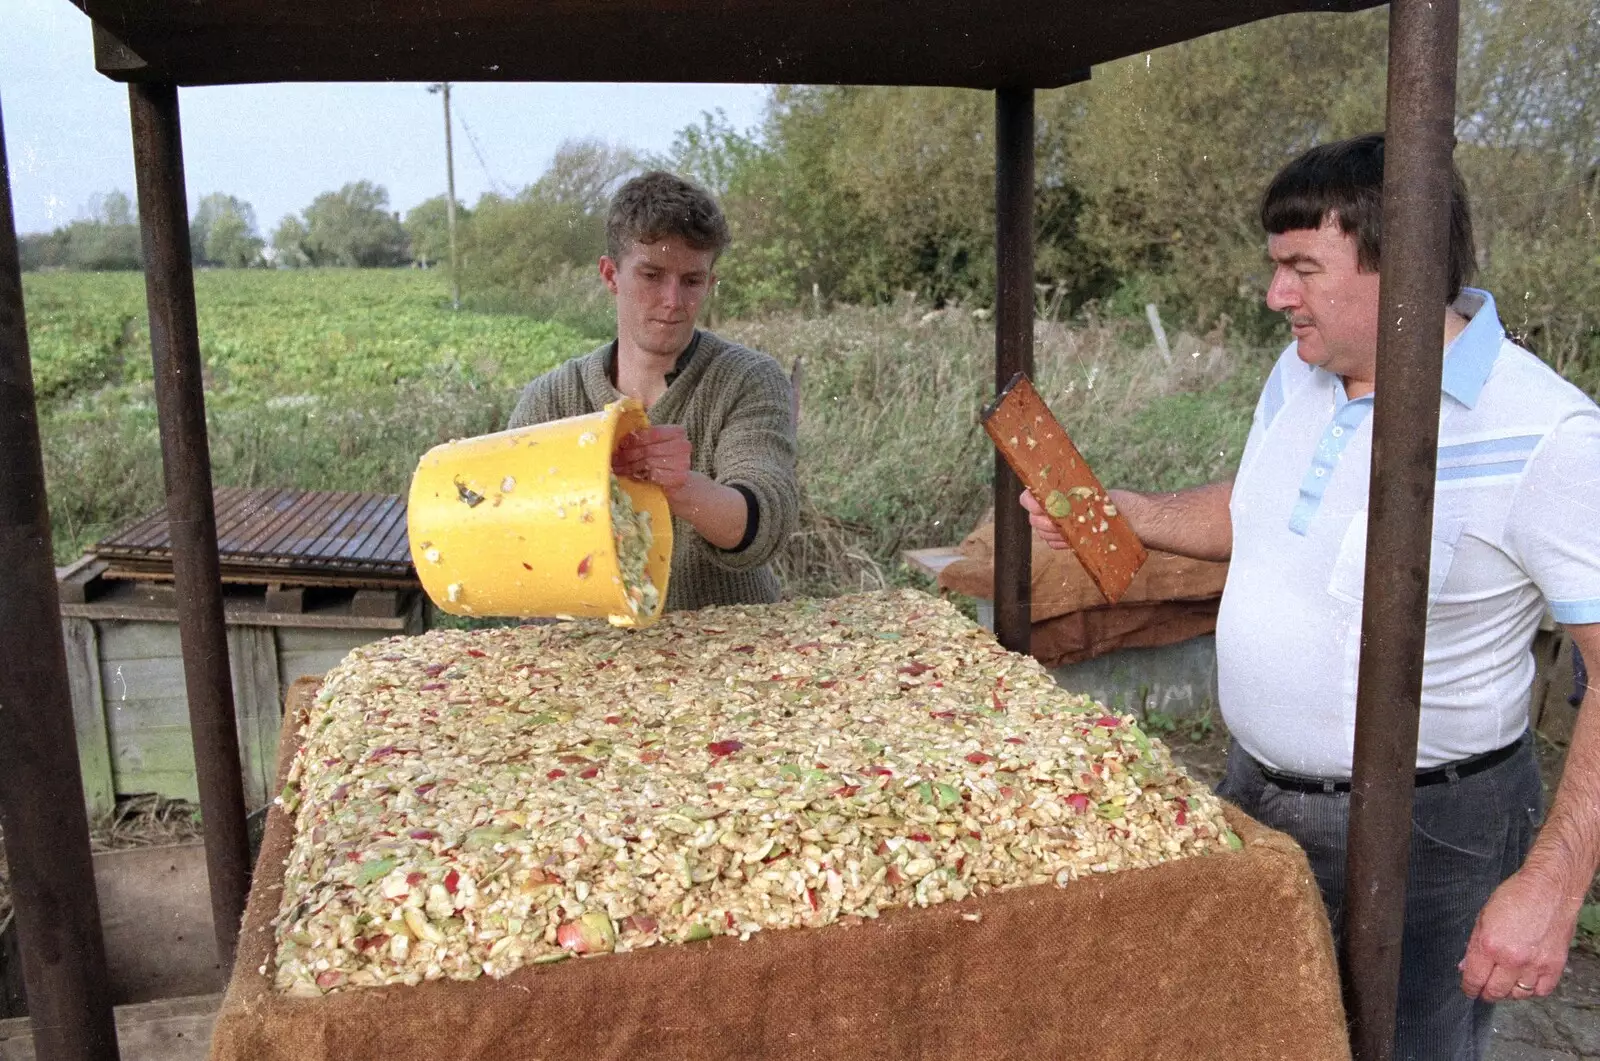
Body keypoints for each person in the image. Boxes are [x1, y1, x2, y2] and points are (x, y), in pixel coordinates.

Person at [1022, 134, 1600, 1060]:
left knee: (1398, 1046)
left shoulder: (1548, 432)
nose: (1274, 295)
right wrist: (1130, 511)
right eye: (1275, 266)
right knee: (1253, 1031)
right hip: (1256, 787)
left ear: (1404, 264)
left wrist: (1552, 886)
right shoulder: (1304, 372)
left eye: (1301, 268)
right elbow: (1260, 507)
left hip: (1427, 835)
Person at [508, 171, 799, 611]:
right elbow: (513, 540)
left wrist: (682, 488)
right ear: (611, 275)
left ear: (710, 282)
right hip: (592, 644)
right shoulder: (549, 401)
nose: (673, 301)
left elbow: (766, 518)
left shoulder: (749, 378)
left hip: (733, 636)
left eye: (692, 281)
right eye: (651, 274)